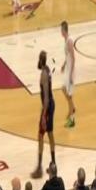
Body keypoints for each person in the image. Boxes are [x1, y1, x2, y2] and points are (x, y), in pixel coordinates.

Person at [31, 50, 56, 179]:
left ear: (40, 60)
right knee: (50, 134)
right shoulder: (47, 69)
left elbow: (45, 97)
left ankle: (39, 168)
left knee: (41, 135)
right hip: (51, 104)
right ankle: (53, 164)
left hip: (47, 106)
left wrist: (43, 116)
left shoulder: (44, 75)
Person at [61, 21, 76, 127]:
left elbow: (73, 58)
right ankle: (72, 107)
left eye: (61, 30)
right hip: (68, 68)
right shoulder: (66, 40)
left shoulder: (69, 41)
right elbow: (68, 56)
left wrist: (71, 74)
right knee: (64, 89)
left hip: (71, 70)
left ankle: (72, 119)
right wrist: (63, 64)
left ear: (64, 30)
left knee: (69, 94)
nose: (60, 32)